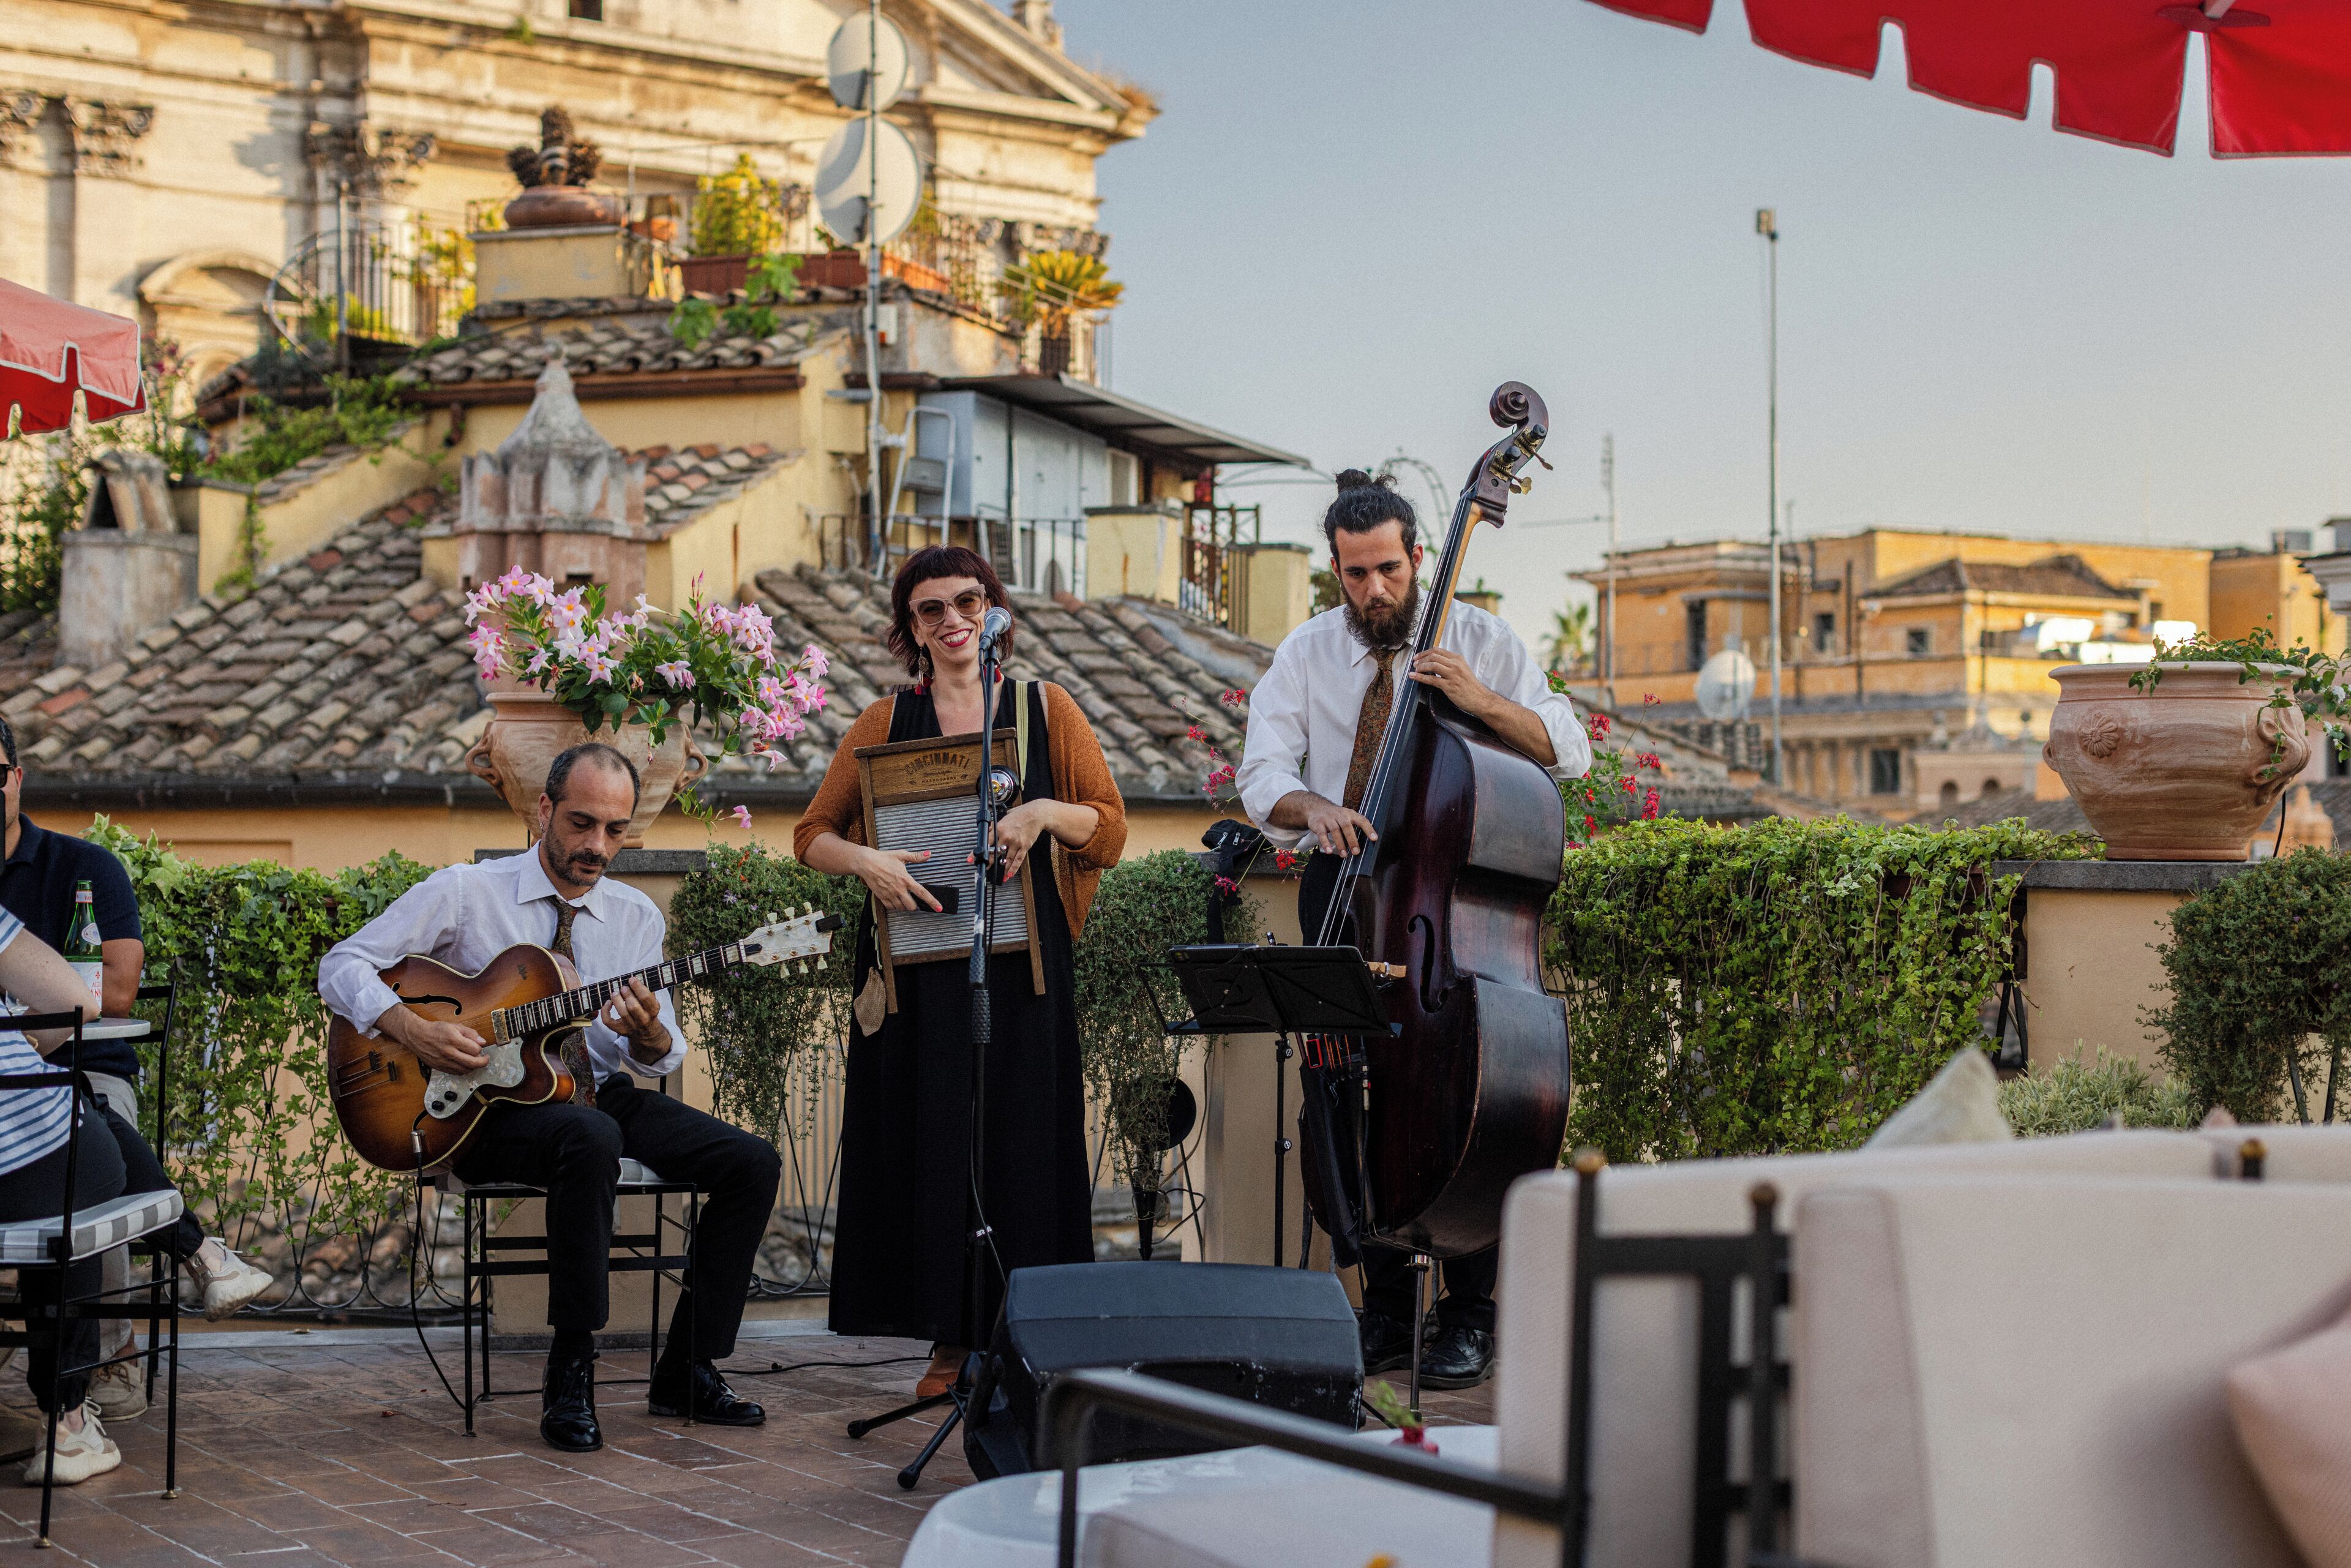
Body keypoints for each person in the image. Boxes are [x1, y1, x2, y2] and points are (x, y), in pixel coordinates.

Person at [317, 743, 781, 1454]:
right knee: (589, 1138)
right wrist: (415, 1029)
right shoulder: (468, 892)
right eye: (581, 822)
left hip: (592, 1090)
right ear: (544, 809)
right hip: (484, 1112)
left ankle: (687, 1367)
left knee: (751, 1161)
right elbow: (342, 963)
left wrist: (650, 1031)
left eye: (615, 830)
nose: (597, 845)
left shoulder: (635, 917)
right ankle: (570, 1367)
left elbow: (660, 1054)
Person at [1235, 469, 1591, 1391]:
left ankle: (1471, 1311)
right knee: (1348, 1093)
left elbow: (1571, 747)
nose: (1374, 591)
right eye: (1355, 574)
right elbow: (1262, 771)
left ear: (1418, 558)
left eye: (1388, 569)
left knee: (1468, 1089)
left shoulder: (1481, 641)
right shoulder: (1308, 651)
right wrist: (1313, 806)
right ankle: (1386, 1305)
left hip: (1449, 903)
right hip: (1344, 887)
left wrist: (1480, 698)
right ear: (1336, 570)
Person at [795, 545, 1125, 1398]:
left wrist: (1041, 813)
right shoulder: (883, 721)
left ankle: (1028, 1335)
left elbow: (1110, 828)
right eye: (931, 609)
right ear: (910, 628)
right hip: (920, 976)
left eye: (968, 602)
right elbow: (812, 835)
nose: (953, 621)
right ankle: (949, 1341)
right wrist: (867, 861)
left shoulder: (1045, 708)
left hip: (1024, 976)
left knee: (1023, 1145)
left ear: (993, 608)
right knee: (935, 1146)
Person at [0, 718, 269, 1428]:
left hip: (85, 1059)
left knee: (82, 1116)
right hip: (27, 1078)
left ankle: (109, 1353)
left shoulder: (83, 866)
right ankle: (201, 1253)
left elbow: (114, 991)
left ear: (17, 778)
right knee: (68, 1133)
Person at [0, 906, 123, 1484]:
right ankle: (68, 1423)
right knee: (75, 1180)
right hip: (34, 1165)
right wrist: (20, 1043)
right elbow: (79, 1000)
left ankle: (202, 1251)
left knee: (81, 1123)